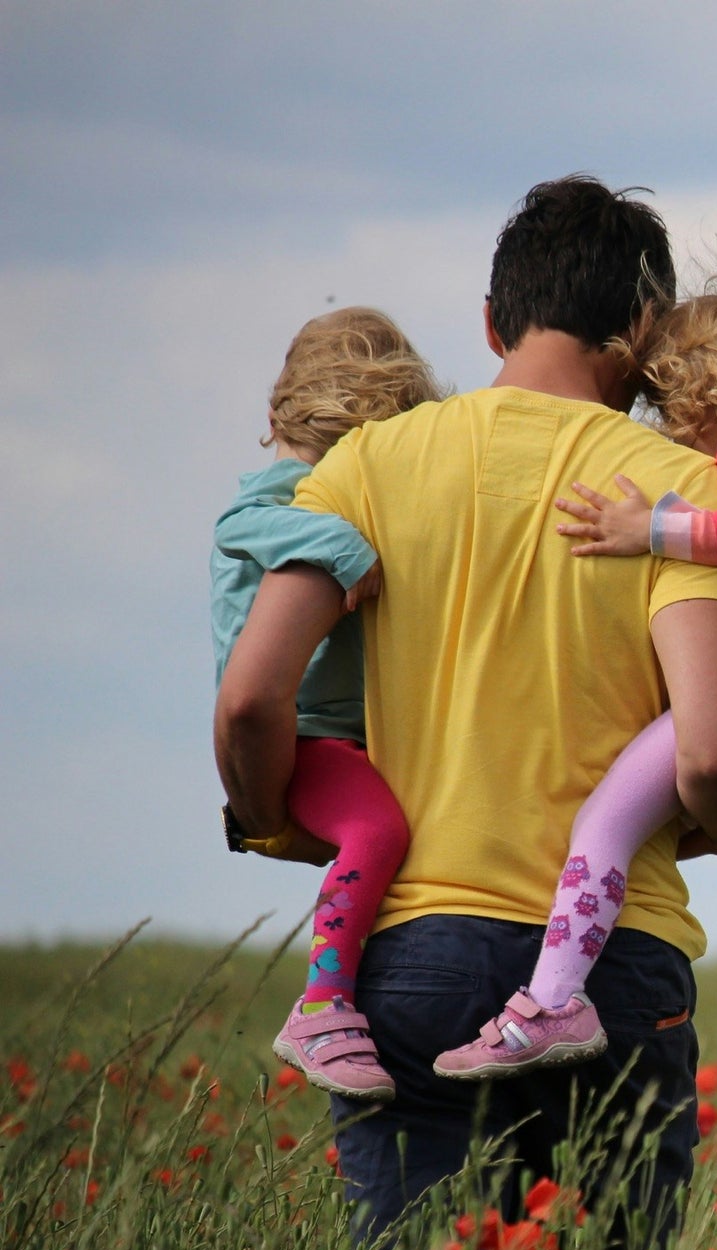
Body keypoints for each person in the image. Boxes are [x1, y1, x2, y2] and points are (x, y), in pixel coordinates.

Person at [214, 175, 717, 1244]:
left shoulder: (365, 466)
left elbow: (249, 698)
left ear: (489, 321)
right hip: (615, 965)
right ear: (643, 330)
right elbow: (708, 755)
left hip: (413, 953)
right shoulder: (677, 492)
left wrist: (275, 817)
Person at [434, 280, 717, 1079]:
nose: (670, 429)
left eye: (669, 406)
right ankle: (576, 960)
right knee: (642, 827)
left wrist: (645, 527)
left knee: (602, 824)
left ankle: (551, 1002)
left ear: (707, 388)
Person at [211, 308, 442, 1101]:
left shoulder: (319, 484)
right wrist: (344, 546)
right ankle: (323, 1003)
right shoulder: (283, 495)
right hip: (306, 735)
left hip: (343, 736)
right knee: (378, 829)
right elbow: (241, 522)